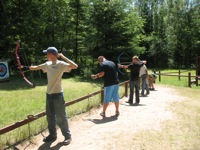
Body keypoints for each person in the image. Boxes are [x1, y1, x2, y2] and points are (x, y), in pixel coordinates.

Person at [21, 47, 78, 145]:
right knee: (50, 116)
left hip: (58, 94)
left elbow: (75, 66)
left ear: (51, 54)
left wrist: (63, 56)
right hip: (49, 94)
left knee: (61, 117)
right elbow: (35, 67)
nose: (46, 55)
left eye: (47, 53)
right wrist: (23, 67)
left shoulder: (61, 64)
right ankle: (53, 135)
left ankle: (67, 136)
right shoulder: (47, 64)